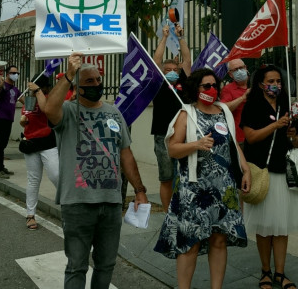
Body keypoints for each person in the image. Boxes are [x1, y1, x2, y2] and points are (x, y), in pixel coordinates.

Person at [43, 52, 148, 289]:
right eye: (89, 81)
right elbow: (50, 109)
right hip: (78, 203)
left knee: (106, 264)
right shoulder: (68, 111)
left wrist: (139, 190)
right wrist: (69, 74)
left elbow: (125, 154)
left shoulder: (114, 113)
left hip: (110, 203)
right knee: (77, 266)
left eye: (98, 80)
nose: (96, 85)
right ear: (77, 86)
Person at [154, 68, 250, 289]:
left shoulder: (223, 111)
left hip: (223, 188)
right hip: (194, 190)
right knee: (191, 243)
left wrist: (245, 169)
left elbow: (233, 143)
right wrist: (196, 145)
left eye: (215, 85)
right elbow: (173, 149)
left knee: (219, 240)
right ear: (195, 89)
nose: (212, 89)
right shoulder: (186, 114)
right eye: (206, 86)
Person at [241, 64, 298, 289]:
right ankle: (265, 272)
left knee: (281, 226)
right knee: (265, 227)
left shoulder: (287, 106)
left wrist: (292, 135)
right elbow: (250, 137)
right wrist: (275, 125)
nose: (276, 85)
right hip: (262, 172)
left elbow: (297, 141)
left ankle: (280, 273)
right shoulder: (252, 105)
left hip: (283, 172)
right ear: (260, 83)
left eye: (279, 81)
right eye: (271, 81)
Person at [151, 22, 191, 212]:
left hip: (183, 135)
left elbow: (187, 59)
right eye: (168, 70)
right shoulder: (157, 83)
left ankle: (183, 209)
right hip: (162, 136)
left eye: (175, 70)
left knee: (184, 176)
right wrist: (165, 37)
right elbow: (156, 61)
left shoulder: (184, 81)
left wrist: (180, 37)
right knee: (166, 178)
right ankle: (168, 214)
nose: (173, 73)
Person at [19, 75, 59, 231]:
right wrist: (23, 121)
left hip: (48, 142)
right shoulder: (29, 100)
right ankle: (30, 214)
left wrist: (38, 92)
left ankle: (69, 207)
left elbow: (46, 109)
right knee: (33, 179)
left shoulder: (49, 99)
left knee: (56, 175)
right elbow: (25, 119)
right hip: (31, 142)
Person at [0, 65, 23, 179]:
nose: (16, 75)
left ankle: (1, 167)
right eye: (13, 73)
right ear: (8, 74)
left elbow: (25, 101)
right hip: (0, 118)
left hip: (9, 119)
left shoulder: (15, 89)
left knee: (3, 144)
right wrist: (1, 85)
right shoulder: (1, 86)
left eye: (17, 73)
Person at [219, 58, 250, 144]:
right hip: (240, 137)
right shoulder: (228, 89)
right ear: (230, 74)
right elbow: (223, 108)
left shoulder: (255, 84)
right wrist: (242, 98)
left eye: (241, 68)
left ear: (246, 68)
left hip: (258, 133)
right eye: (236, 70)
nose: (240, 71)